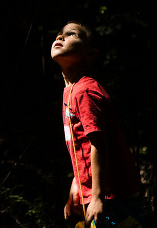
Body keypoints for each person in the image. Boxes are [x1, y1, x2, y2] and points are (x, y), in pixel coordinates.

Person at [51, 22, 144, 228]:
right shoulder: (70, 91)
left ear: (90, 54)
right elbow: (81, 144)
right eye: (58, 35)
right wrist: (77, 183)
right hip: (95, 195)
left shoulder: (85, 91)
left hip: (112, 197)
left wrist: (97, 196)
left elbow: (99, 143)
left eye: (71, 34)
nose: (60, 37)